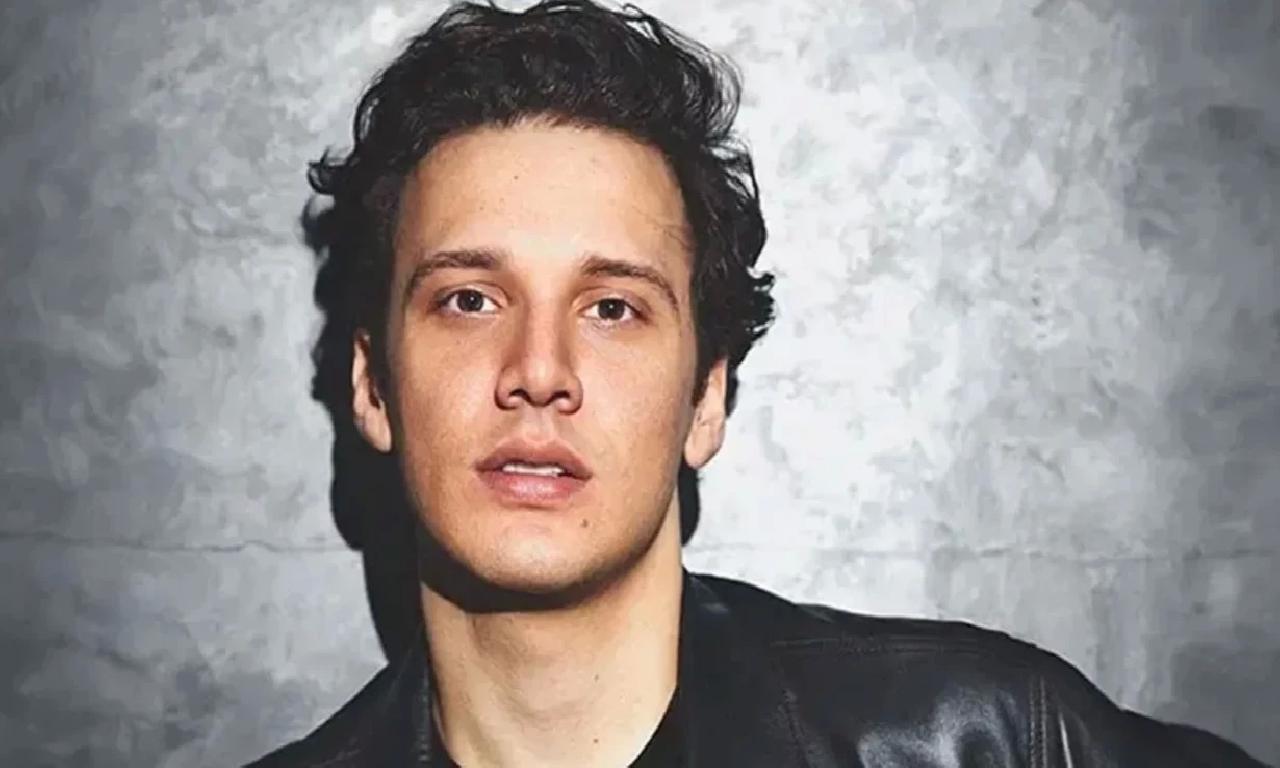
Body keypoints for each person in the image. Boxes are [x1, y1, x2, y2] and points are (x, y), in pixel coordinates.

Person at [251, 1, 1269, 765]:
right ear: (372, 384)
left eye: (613, 308)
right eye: (470, 299)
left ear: (707, 400)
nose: (539, 373)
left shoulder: (988, 743)